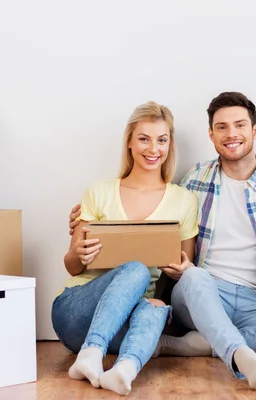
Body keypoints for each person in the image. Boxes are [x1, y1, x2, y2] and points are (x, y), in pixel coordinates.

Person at [68, 92, 256, 390]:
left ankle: (197, 344)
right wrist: (83, 222)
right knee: (196, 276)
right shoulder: (195, 180)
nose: (232, 134)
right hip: (200, 290)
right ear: (211, 134)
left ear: (255, 130)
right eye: (222, 127)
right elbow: (155, 213)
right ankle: (239, 354)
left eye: (240, 125)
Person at [52, 101, 202, 396]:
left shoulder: (184, 200)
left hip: (125, 325)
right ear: (130, 142)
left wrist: (182, 269)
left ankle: (124, 371)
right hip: (76, 312)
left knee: (156, 307)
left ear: (169, 145)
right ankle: (91, 353)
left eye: (162, 140)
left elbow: (185, 266)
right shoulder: (99, 192)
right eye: (144, 139)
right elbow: (72, 266)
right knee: (135, 268)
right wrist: (78, 255)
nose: (153, 149)